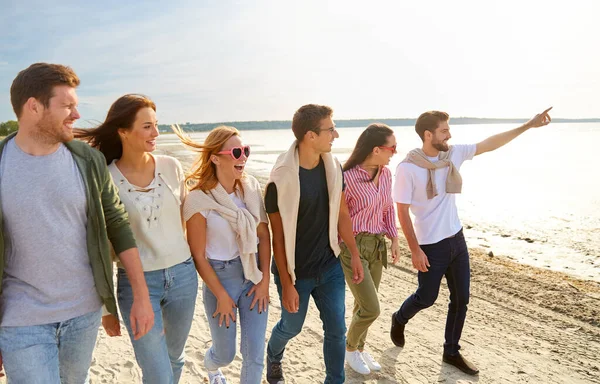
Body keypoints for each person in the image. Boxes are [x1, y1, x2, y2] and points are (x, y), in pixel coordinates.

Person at [0, 63, 154, 383]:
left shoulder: (88, 160)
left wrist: (141, 297)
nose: (76, 115)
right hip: (21, 318)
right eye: (67, 106)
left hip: (83, 314)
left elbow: (117, 224)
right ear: (33, 107)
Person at [390, 108, 553, 375]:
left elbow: (489, 144)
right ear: (428, 134)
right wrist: (415, 250)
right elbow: (402, 211)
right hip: (430, 245)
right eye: (444, 130)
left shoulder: (451, 154)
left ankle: (451, 351)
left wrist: (527, 126)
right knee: (426, 297)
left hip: (457, 239)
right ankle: (399, 318)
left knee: (461, 299)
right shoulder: (407, 168)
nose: (450, 134)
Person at [76, 94, 198, 384]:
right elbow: (102, 247)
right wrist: (107, 309)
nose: (156, 133)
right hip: (137, 284)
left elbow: (184, 220)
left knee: (174, 358)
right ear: (123, 131)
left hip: (184, 277)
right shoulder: (103, 178)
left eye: (156, 125)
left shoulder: (171, 167)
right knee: (157, 374)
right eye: (147, 127)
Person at [264, 104, 365, 384]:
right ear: (310, 135)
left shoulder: (333, 165)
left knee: (336, 329)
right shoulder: (281, 177)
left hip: (329, 265)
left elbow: (342, 212)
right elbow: (278, 236)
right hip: (296, 272)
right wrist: (286, 283)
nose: (336, 134)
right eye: (330, 129)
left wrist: (353, 254)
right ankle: (273, 354)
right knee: (291, 327)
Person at [174, 125, 271, 384]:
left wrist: (264, 282)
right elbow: (198, 256)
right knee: (225, 354)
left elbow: (263, 236)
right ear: (215, 158)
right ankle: (211, 365)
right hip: (219, 277)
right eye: (237, 151)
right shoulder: (198, 199)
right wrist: (221, 295)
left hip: (251, 273)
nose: (244, 157)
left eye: (246, 150)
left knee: (254, 355)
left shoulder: (250, 189)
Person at [339, 123, 400, 375]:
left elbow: (388, 208)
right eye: (392, 148)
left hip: (377, 245)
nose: (394, 152)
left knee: (361, 303)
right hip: (353, 245)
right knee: (372, 308)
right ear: (376, 149)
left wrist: (394, 238)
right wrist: (351, 251)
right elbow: (339, 218)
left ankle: (360, 349)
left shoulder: (386, 174)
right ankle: (350, 348)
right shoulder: (346, 177)